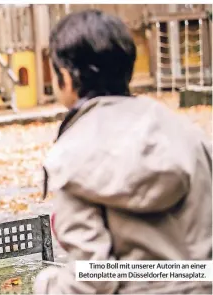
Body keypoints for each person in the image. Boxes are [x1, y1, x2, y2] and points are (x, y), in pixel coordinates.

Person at [34, 9, 212, 294]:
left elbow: (93, 280)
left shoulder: (72, 157)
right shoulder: (191, 137)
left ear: (65, 78)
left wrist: (45, 285)